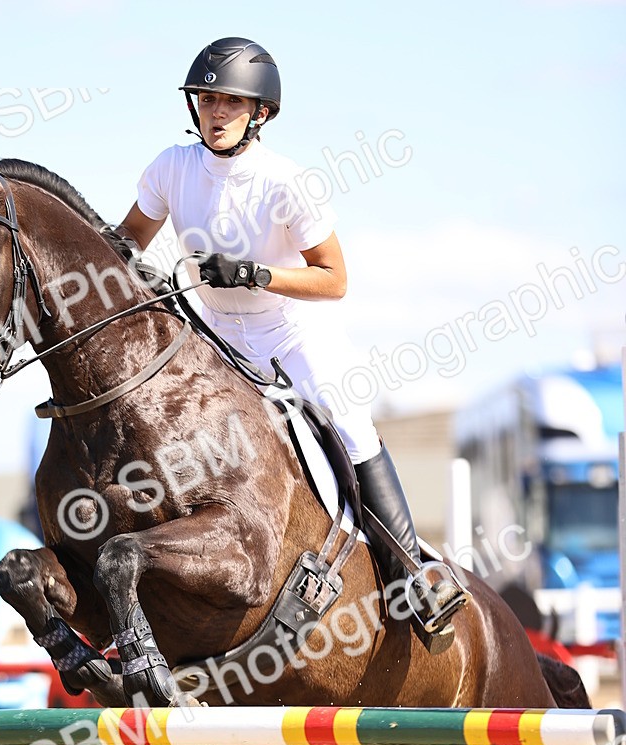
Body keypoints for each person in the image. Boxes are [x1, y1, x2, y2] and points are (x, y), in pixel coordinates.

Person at [119, 36, 467, 646]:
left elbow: (335, 279)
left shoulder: (288, 182)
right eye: (206, 99)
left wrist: (255, 274)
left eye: (230, 101)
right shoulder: (169, 167)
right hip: (216, 332)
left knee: (348, 419)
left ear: (261, 112)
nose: (215, 111)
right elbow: (127, 243)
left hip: (292, 333)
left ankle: (410, 573)